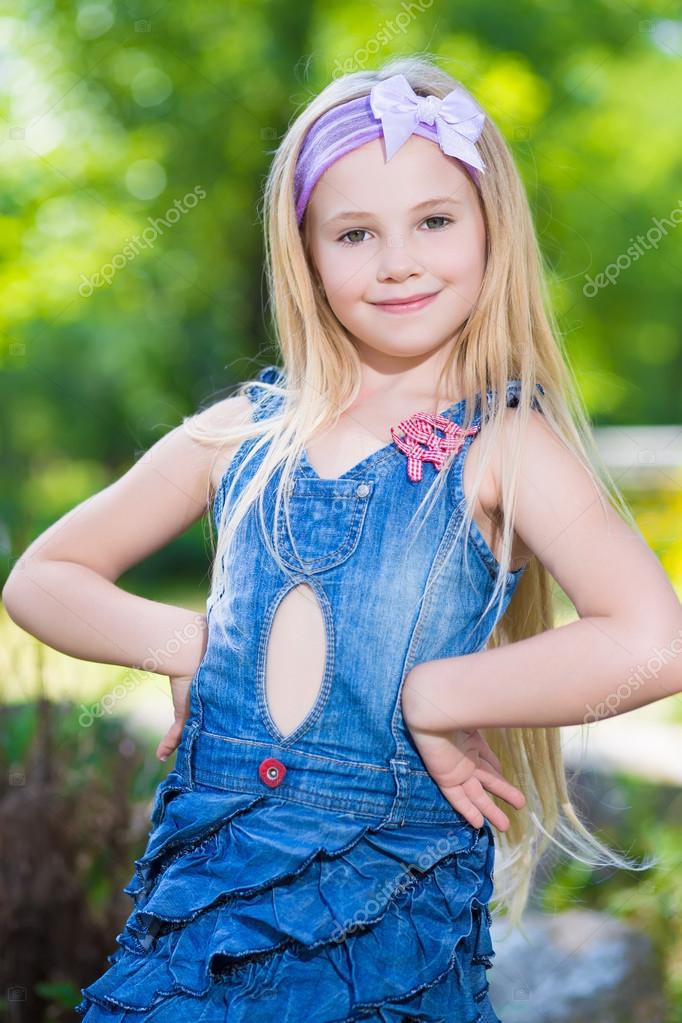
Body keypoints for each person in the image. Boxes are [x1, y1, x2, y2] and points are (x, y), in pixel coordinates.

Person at [4, 54, 681, 1023]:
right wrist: (193, 645)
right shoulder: (243, 431)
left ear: (493, 231)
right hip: (198, 938)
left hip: (384, 947)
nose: (397, 260)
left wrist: (440, 692)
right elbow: (42, 578)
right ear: (306, 253)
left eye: (434, 221)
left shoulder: (503, 447)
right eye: (355, 232)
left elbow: (654, 640)